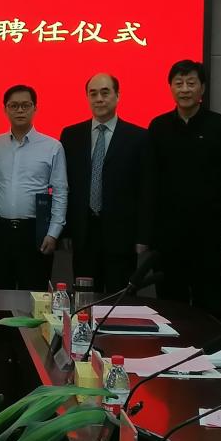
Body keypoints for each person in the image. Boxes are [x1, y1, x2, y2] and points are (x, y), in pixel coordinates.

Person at [148, 60, 221, 321]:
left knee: (209, 302)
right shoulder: (158, 127)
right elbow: (150, 181)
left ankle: (209, 349)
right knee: (169, 303)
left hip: (209, 233)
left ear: (202, 88)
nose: (185, 89)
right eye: (179, 83)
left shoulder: (220, 126)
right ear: (170, 88)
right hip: (168, 234)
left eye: (191, 83)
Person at [60, 73, 154, 294]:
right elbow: (65, 186)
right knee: (85, 300)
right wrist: (66, 231)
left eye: (105, 92)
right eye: (93, 94)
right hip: (83, 235)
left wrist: (143, 235)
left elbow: (146, 189)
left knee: (119, 300)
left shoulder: (138, 137)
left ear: (117, 95)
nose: (99, 99)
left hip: (122, 236)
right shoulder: (71, 135)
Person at [0, 85, 68, 291]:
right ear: (5, 109)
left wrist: (53, 233)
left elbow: (60, 192)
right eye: (14, 106)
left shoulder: (52, 146)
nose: (20, 110)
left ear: (35, 108)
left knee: (34, 296)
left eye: (25, 105)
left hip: (35, 232)